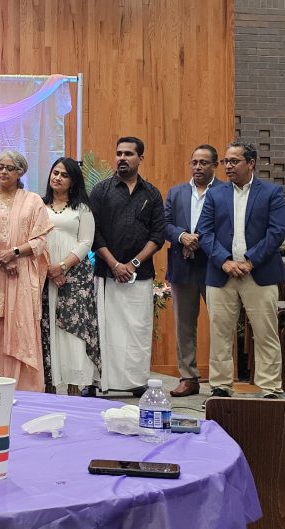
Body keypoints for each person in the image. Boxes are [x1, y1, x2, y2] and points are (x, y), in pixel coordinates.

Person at [197, 141, 285, 399]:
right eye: (226, 161)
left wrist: (250, 261)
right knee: (220, 334)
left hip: (259, 273)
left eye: (234, 161)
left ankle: (270, 388)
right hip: (221, 273)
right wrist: (224, 261)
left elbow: (277, 232)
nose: (228, 166)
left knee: (265, 332)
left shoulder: (271, 192)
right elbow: (205, 232)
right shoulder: (215, 194)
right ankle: (220, 386)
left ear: (251, 163)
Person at [88, 136, 165, 396]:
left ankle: (136, 382)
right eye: (119, 153)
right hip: (107, 274)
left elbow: (157, 236)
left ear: (140, 158)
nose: (122, 158)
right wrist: (114, 264)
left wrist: (132, 264)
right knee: (106, 330)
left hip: (139, 276)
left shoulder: (152, 193)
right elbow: (94, 232)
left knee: (137, 330)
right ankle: (102, 381)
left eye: (128, 154)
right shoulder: (101, 190)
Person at [0, 151, 52, 392]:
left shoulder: (33, 201)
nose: (4, 172)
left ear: (20, 172)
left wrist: (14, 253)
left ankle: (24, 387)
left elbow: (40, 239)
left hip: (21, 272)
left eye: (9, 168)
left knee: (21, 324)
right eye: (0, 167)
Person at [39, 157, 99, 397]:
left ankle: (74, 385)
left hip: (75, 275)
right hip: (44, 273)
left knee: (72, 327)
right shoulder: (39, 205)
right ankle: (50, 383)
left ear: (73, 181)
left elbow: (86, 242)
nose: (58, 178)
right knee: (47, 327)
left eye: (64, 175)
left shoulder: (82, 208)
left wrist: (62, 267)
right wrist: (49, 269)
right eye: (55, 172)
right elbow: (34, 238)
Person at [163, 144, 220, 397]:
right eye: (194, 162)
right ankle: (188, 377)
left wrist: (198, 241)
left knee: (220, 324)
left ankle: (220, 380)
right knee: (184, 326)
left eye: (204, 163)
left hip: (214, 266)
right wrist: (182, 236)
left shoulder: (225, 191)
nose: (198, 167)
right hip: (182, 267)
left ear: (215, 165)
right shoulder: (176, 193)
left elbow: (227, 226)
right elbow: (164, 224)